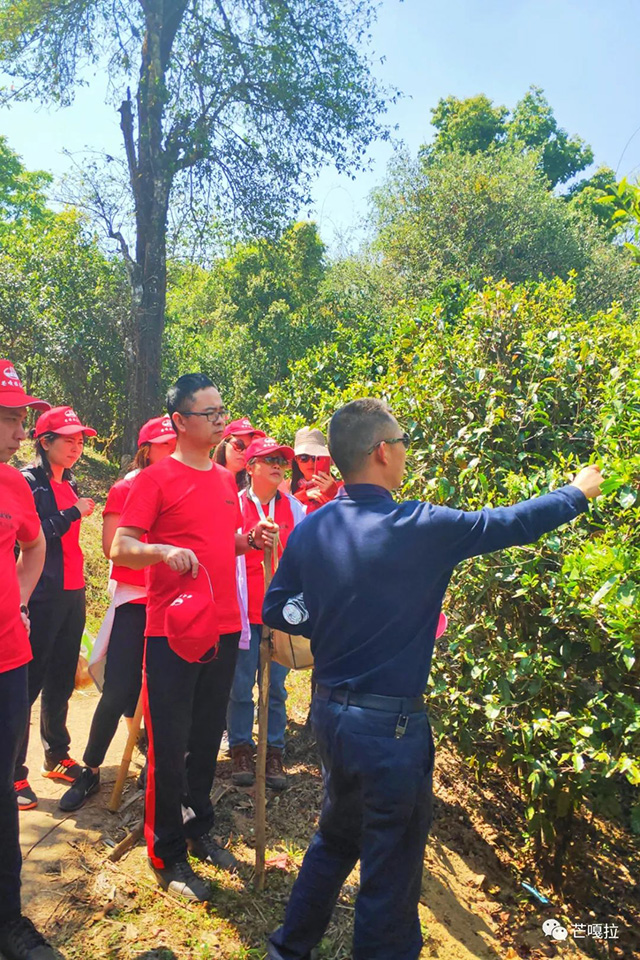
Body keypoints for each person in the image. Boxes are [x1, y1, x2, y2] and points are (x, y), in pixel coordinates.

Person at [262, 397, 604, 960]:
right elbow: (510, 523)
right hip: (391, 733)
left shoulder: (315, 527)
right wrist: (576, 494)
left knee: (334, 840)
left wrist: (319, 613)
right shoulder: (419, 526)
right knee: (390, 876)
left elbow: (279, 608)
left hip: (331, 717)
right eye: (400, 442)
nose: (405, 452)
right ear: (380, 453)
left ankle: (286, 950)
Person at [110, 374, 276, 903]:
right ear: (180, 421)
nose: (221, 420)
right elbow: (120, 546)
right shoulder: (154, 480)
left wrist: (247, 540)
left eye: (222, 411)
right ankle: (166, 851)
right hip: (173, 632)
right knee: (170, 744)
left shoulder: (226, 481)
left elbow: (216, 542)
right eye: (210, 413)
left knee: (207, 739)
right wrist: (161, 553)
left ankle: (199, 828)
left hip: (226, 625)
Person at [59, 416, 176, 812]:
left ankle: (158, 769)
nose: (173, 450)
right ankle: (90, 769)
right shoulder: (126, 488)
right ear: (146, 449)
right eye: (165, 444)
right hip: (137, 601)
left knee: (165, 691)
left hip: (173, 603)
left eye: (176, 443)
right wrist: (162, 556)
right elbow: (113, 547)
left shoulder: (181, 486)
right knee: (119, 690)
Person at [0, 359, 61, 960]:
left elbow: (35, 543)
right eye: (12, 417)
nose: (22, 431)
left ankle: (8, 920)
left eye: (24, 417)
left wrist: (16, 596)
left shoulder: (13, 484)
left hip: (8, 660)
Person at [14, 406, 96, 811]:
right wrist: (72, 513)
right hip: (40, 593)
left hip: (72, 591)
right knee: (27, 683)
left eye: (81, 440)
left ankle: (56, 754)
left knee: (62, 678)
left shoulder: (71, 482)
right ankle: (13, 771)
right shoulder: (28, 483)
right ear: (44, 442)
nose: (77, 446)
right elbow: (31, 535)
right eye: (69, 439)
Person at [227, 436, 305, 790]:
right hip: (241, 612)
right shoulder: (232, 503)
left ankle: (273, 751)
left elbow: (304, 560)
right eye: (269, 459)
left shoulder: (294, 509)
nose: (278, 466)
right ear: (251, 466)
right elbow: (221, 548)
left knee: (275, 689)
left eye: (282, 461)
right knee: (241, 686)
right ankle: (241, 748)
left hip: (278, 615)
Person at [288, 427, 342, 513]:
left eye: (315, 457)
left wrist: (334, 493)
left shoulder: (342, 488)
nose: (310, 463)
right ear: (296, 460)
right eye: (304, 458)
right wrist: (302, 496)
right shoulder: (287, 489)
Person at [212, 417, 266, 491]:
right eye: (238, 445)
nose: (244, 452)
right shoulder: (207, 478)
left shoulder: (253, 487)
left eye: (250, 448)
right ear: (224, 445)